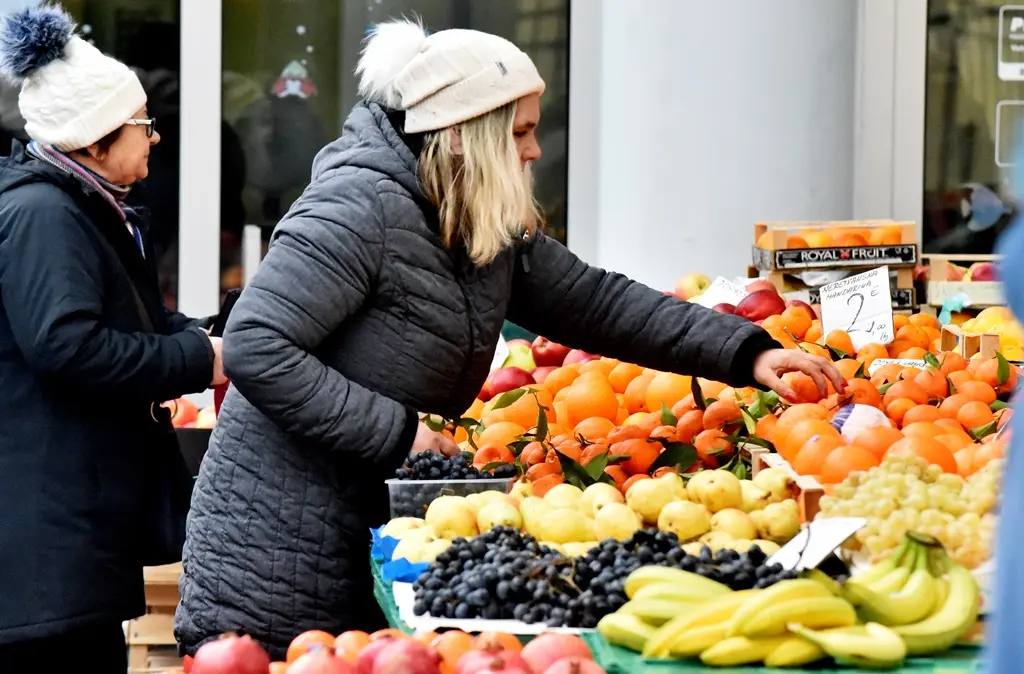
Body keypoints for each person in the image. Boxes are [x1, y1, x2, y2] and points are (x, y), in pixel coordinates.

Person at [175, 19, 843, 659]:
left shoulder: (473, 215)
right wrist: (399, 435)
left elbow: (596, 302)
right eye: (520, 132)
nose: (535, 150)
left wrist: (747, 350)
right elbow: (257, 343)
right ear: (462, 136)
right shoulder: (357, 208)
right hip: (279, 548)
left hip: (370, 524)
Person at [0, 7, 225, 670]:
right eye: (142, 123)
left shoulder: (84, 204)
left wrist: (208, 334)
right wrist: (201, 358)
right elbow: (69, 345)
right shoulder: (45, 214)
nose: (155, 136)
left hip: (67, 533)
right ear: (95, 141)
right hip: (48, 543)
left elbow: (128, 322)